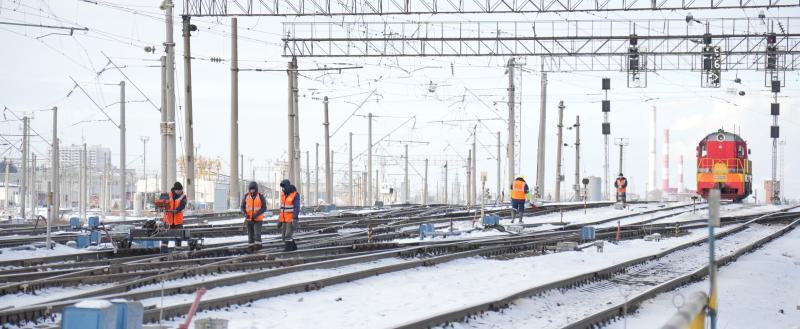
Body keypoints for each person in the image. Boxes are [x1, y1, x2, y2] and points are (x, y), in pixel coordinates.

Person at [241, 181, 267, 252]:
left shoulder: (260, 196)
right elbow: (242, 207)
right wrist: (245, 213)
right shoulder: (246, 196)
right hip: (249, 219)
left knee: (257, 233)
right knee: (250, 233)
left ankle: (258, 247)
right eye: (251, 189)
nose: (252, 190)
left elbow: (264, 207)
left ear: (256, 189)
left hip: (258, 219)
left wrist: (257, 214)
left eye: (253, 189)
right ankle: (251, 247)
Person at [162, 181, 187, 246]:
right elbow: (161, 203)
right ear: (175, 190)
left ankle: (177, 251)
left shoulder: (183, 196)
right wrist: (163, 206)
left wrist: (176, 210)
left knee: (178, 238)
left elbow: (182, 205)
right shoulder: (167, 195)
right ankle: (163, 251)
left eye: (181, 190)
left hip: (178, 221)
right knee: (165, 237)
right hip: (168, 220)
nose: (181, 192)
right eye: (179, 190)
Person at [278, 179, 300, 251]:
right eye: (282, 187)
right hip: (284, 219)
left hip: (291, 219)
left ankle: (288, 249)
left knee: (288, 235)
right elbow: (282, 209)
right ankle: (294, 247)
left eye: (283, 187)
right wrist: (280, 220)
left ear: (287, 187)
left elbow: (297, 207)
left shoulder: (295, 195)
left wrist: (295, 218)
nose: (282, 189)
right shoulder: (283, 195)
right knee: (284, 236)